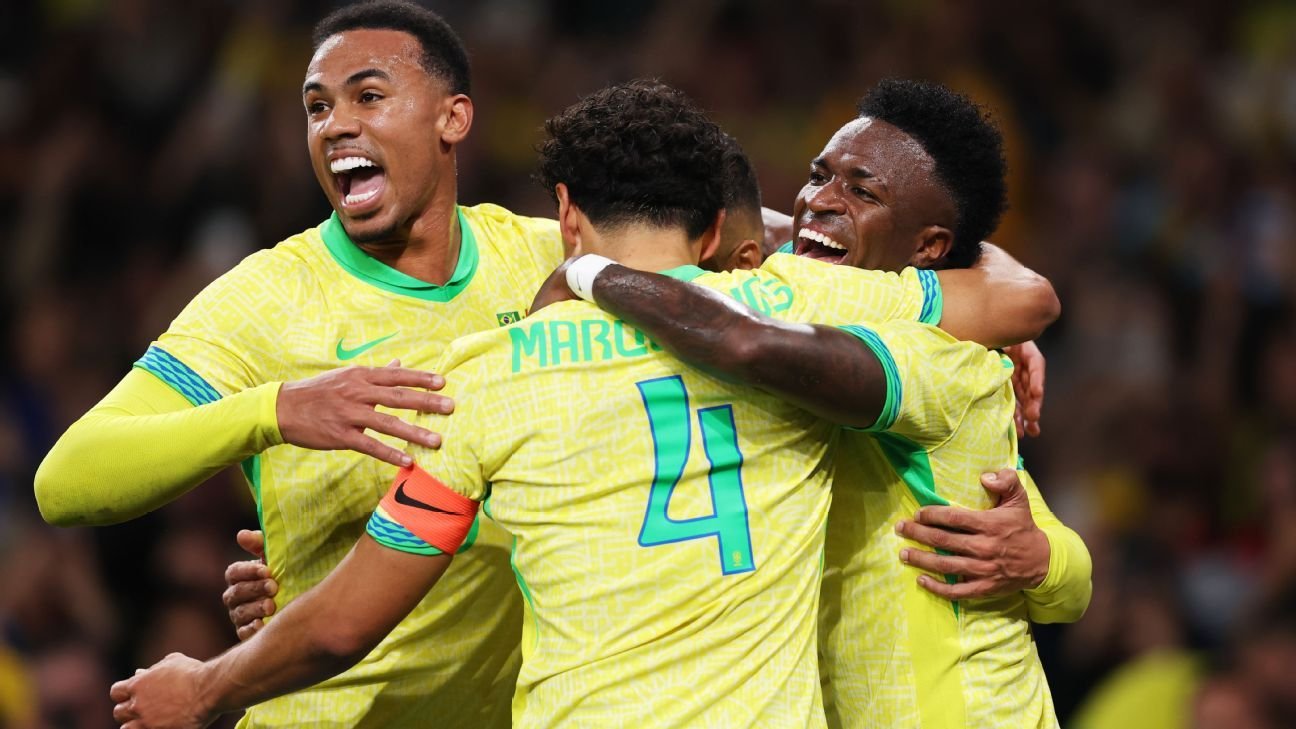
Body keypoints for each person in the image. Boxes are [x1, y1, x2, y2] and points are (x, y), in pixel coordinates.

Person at [109, 80, 1055, 729]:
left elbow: (348, 623)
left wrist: (207, 686)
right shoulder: (802, 304)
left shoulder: (489, 376)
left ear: (564, 212)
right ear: (723, 230)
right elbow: (1019, 293)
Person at [35, 3, 566, 727]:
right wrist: (276, 411)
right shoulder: (268, 300)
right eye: (317, 107)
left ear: (453, 118)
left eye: (368, 96)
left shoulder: (544, 261)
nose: (335, 125)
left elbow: (705, 263)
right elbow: (67, 481)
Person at [549, 79, 1091, 727]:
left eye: (862, 191)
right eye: (818, 175)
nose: (819, 201)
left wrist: (1043, 560)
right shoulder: (812, 292)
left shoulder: (939, 357)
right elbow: (737, 231)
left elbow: (1060, 567)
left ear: (928, 249)